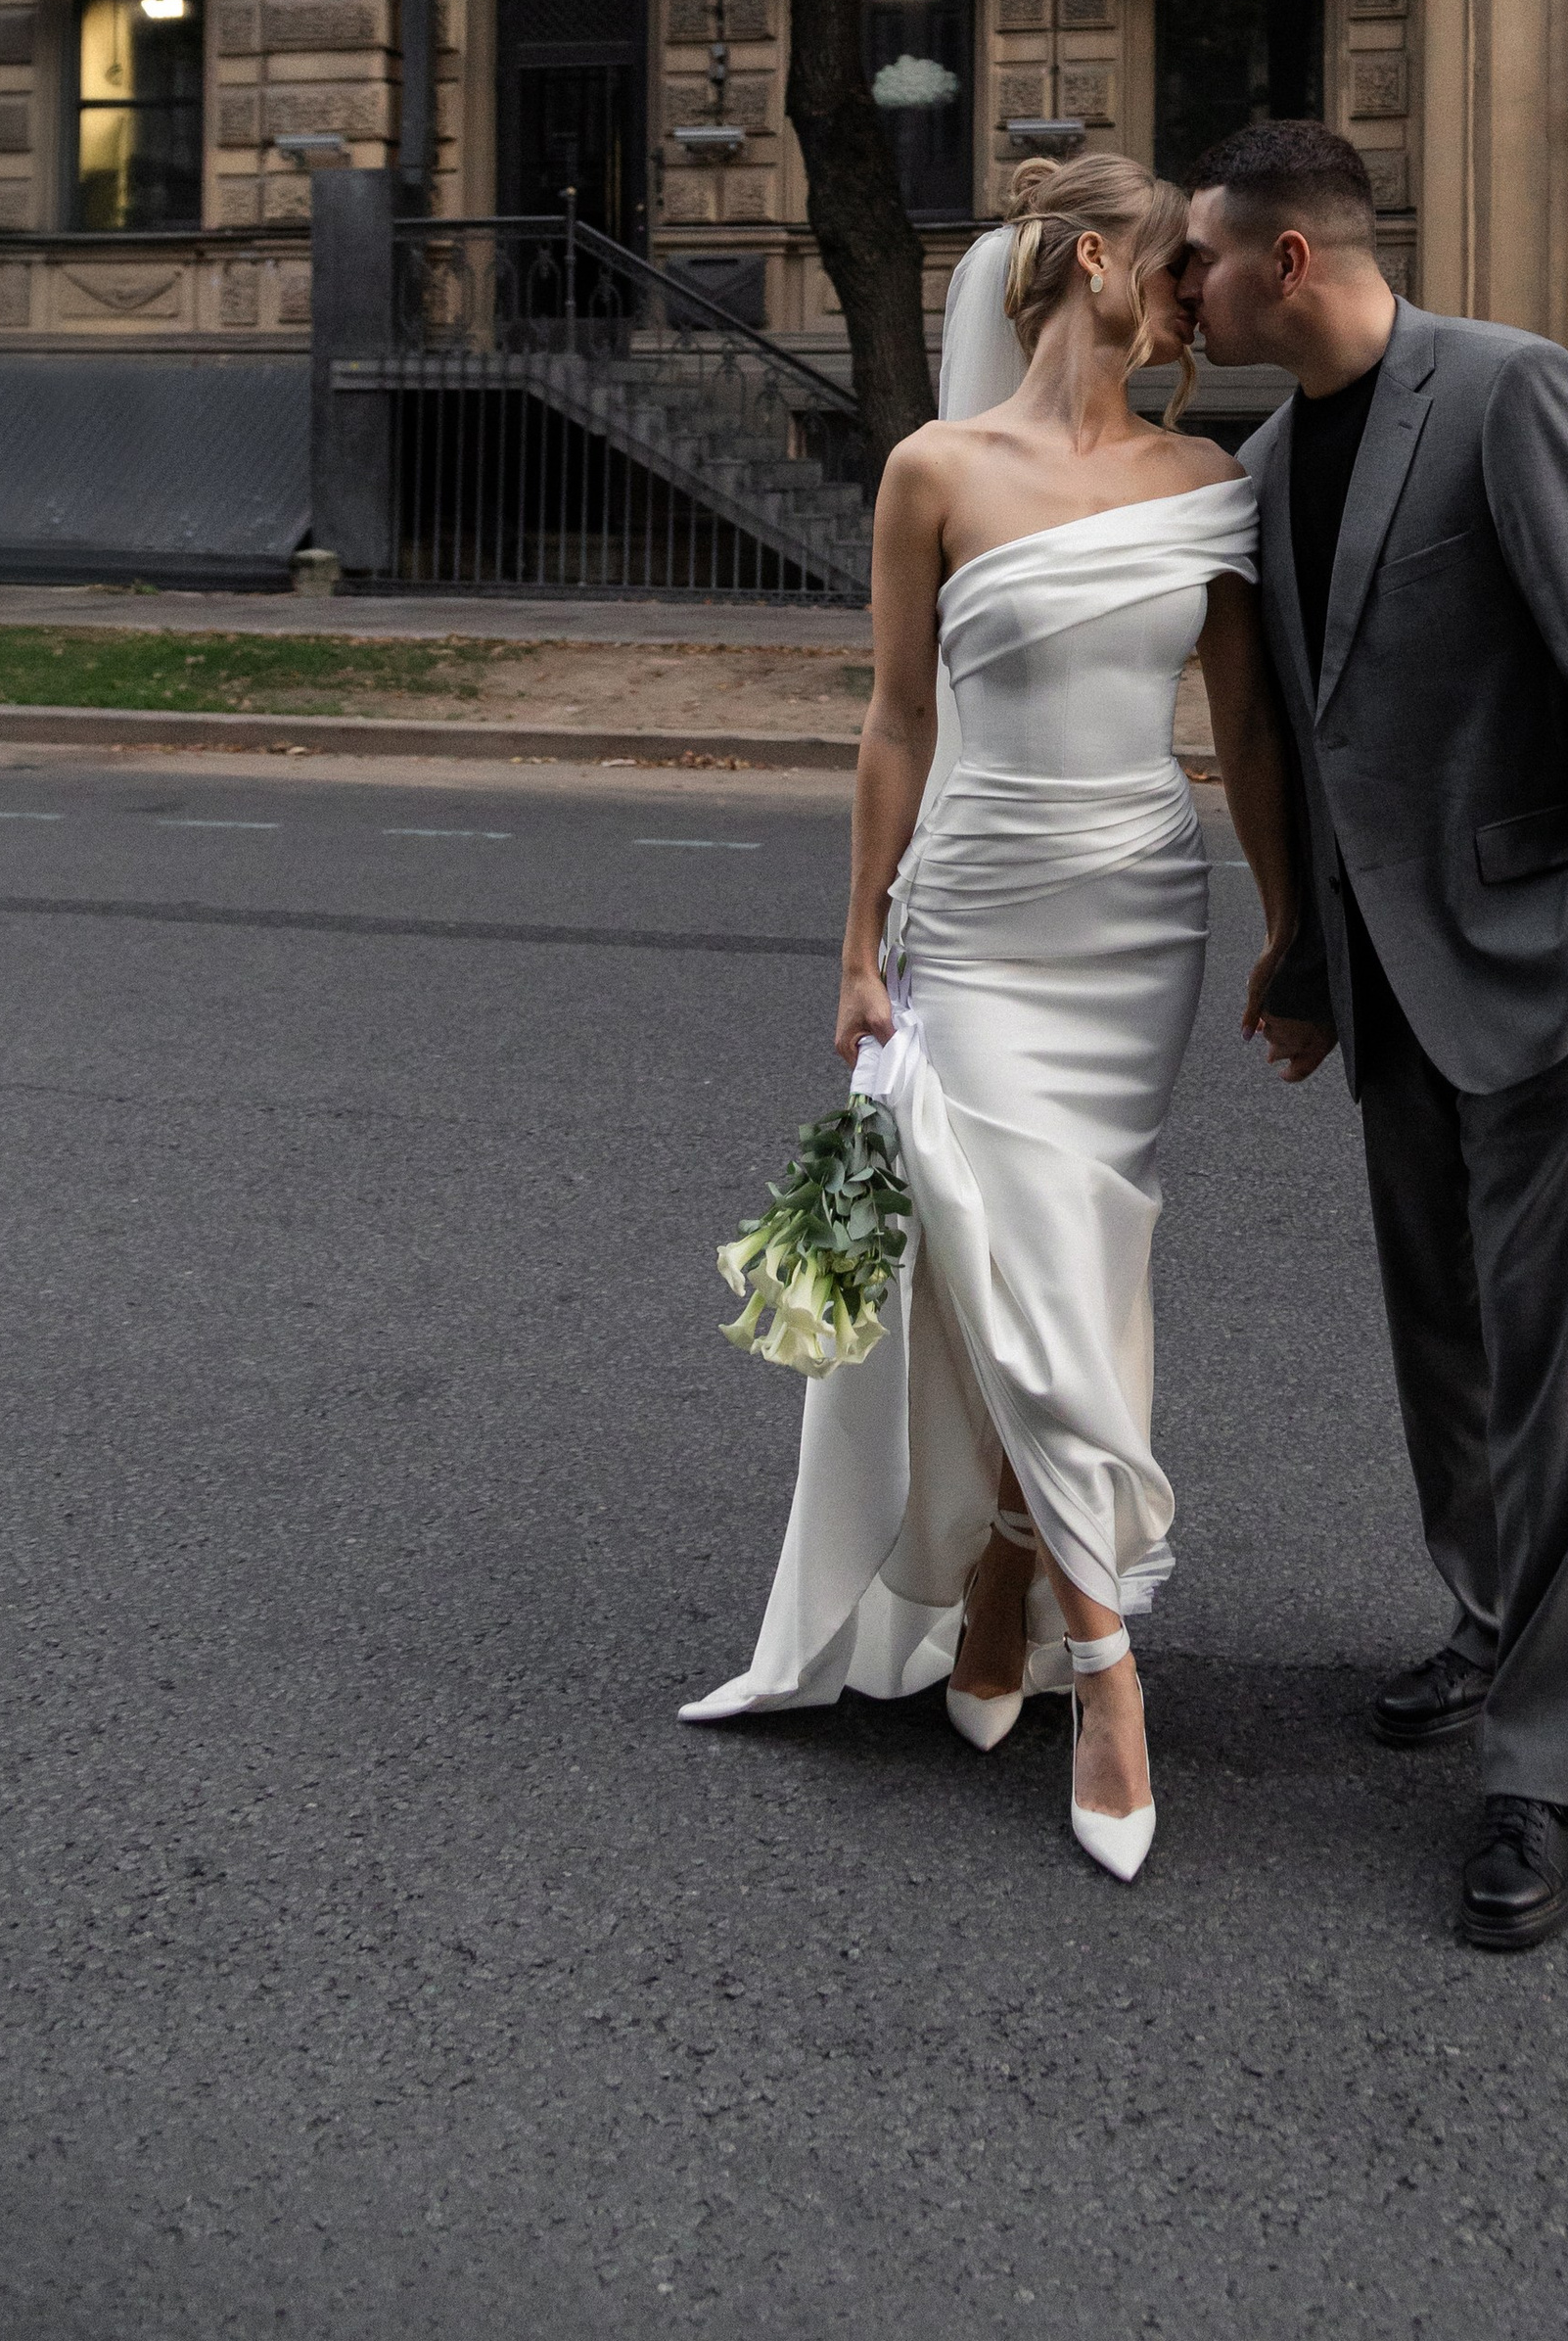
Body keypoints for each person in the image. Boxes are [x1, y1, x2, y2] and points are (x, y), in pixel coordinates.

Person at [680, 154, 1304, 1885]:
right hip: (973, 921)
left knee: (1075, 1264)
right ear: (1096, 258)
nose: (1203, 292)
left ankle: (1024, 1566)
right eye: (1181, 262)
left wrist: (1292, 922)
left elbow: (1245, 734)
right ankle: (1109, 1672)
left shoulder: (1208, 481)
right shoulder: (932, 472)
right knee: (1008, 1259)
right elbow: (895, 723)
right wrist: (860, 945)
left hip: (1134, 922)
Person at [1178, 120, 1568, 1954]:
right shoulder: (1260, 462)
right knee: (1444, 1334)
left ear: (1292, 264)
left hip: (1544, 951)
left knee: (1560, 1356)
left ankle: (1541, 1764)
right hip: (1387, 975)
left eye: (1203, 258)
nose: (1186, 285)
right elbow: (1319, 739)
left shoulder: (1506, 391)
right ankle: (1488, 1618)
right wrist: (1311, 961)